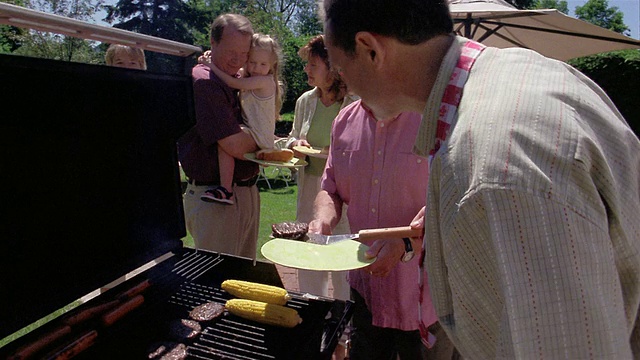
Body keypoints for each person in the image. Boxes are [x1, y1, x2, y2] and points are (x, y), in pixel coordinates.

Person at [321, 0, 640, 358]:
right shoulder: (523, 72)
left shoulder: (493, 172)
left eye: (340, 68)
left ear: (370, 50)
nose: (342, 84)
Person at [310, 102, 458, 359]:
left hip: (426, 302)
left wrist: (405, 245)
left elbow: (454, 203)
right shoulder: (345, 120)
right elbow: (330, 188)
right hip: (367, 296)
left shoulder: (437, 119)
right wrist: (323, 219)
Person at [177, 14, 260, 259]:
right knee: (219, 285)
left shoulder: (234, 79)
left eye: (244, 53)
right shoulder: (205, 81)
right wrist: (266, 139)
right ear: (212, 43)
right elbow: (234, 145)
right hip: (215, 199)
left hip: (244, 192)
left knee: (244, 280)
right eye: (231, 51)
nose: (238, 59)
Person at [284, 35, 357, 300]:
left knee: (342, 256)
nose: (306, 69)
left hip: (344, 194)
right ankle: (312, 309)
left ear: (333, 67)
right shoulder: (305, 101)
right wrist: (296, 142)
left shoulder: (356, 102)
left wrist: (335, 155)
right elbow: (292, 135)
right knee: (311, 250)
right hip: (310, 190)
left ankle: (343, 321)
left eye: (313, 64)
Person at [199, 33, 284, 205]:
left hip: (258, 135)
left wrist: (210, 66)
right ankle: (226, 188)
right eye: (252, 62)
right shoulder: (249, 75)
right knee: (226, 138)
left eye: (262, 64)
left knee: (225, 141)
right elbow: (230, 71)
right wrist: (213, 58)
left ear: (272, 65)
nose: (256, 67)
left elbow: (232, 82)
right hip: (253, 132)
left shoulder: (264, 81)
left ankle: (226, 189)